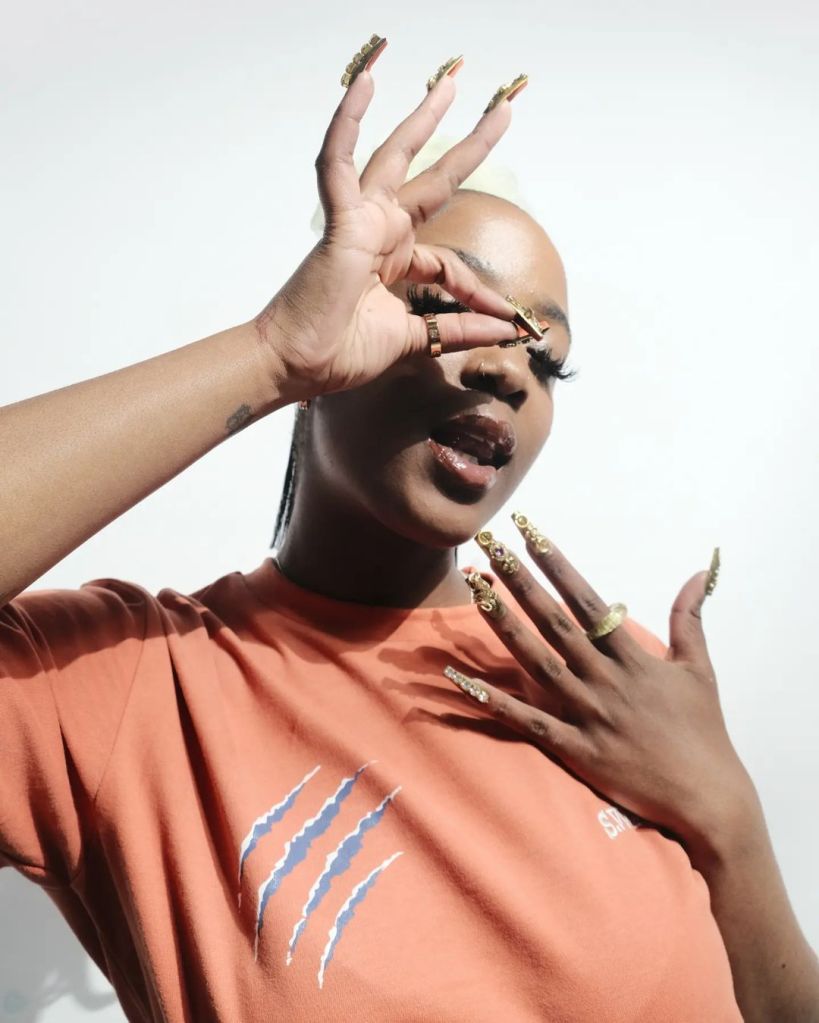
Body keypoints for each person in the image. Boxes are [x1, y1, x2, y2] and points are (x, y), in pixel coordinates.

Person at [0, 36, 817, 1023]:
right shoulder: (128, 691)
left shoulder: (612, 678)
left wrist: (730, 815)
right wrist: (270, 353)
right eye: (447, 311)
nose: (508, 368)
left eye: (544, 358)